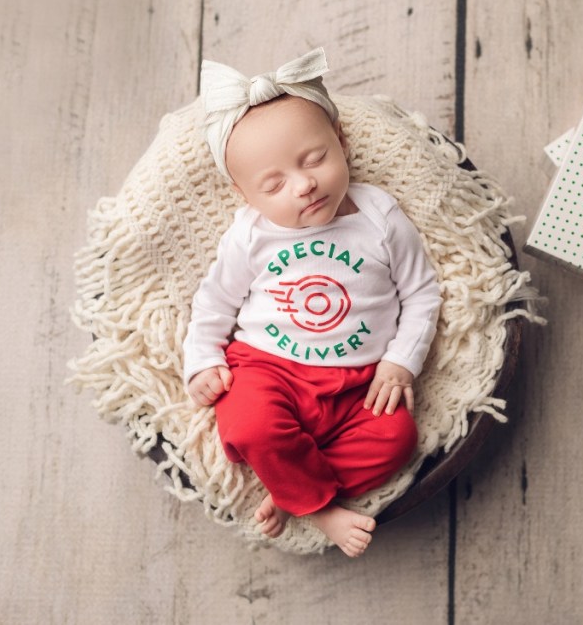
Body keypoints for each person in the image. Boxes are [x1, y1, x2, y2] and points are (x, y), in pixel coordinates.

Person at [183, 48, 442, 558]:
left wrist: (400, 362)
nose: (303, 185)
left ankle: (292, 489)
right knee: (250, 424)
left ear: (341, 143)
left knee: (395, 438)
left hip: (356, 385)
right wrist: (202, 361)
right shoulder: (250, 236)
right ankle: (319, 506)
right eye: (274, 184)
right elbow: (214, 302)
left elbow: (421, 293)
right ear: (245, 194)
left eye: (315, 159)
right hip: (268, 370)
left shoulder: (379, 217)